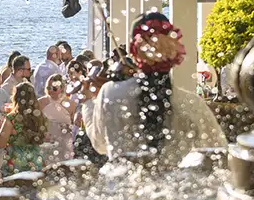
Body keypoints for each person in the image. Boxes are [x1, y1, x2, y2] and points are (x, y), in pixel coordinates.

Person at [86, 13, 226, 166]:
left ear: (135, 51)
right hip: (171, 186)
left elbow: (100, 145)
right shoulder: (191, 103)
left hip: (122, 184)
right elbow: (217, 150)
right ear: (173, 51)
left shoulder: (110, 93)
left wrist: (88, 103)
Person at [0, 82, 49, 176]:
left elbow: (0, 144)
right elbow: (43, 139)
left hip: (15, 164)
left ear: (15, 97)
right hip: (35, 162)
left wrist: (1, 128)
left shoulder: (12, 118)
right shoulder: (40, 118)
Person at [40, 74, 76, 164]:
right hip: (47, 142)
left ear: (62, 88)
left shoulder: (71, 104)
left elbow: (75, 126)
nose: (51, 91)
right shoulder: (41, 102)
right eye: (49, 88)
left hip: (65, 141)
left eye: (54, 88)